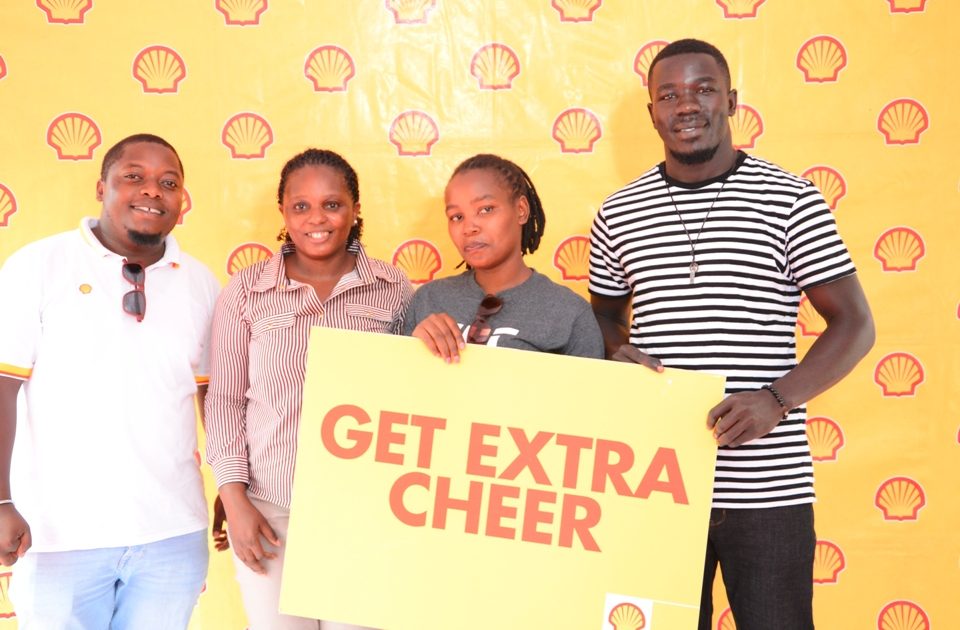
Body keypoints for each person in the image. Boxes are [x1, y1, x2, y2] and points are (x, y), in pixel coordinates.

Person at [588, 39, 875, 630]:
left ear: (732, 100)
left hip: (768, 489)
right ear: (652, 112)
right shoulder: (618, 212)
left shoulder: (790, 198)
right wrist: (615, 347)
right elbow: (604, 316)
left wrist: (776, 399)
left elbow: (855, 324)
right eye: (669, 94)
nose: (686, 105)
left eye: (703, 89)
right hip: (657, 483)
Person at [0, 134, 219, 628]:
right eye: (133, 177)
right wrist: (1, 500)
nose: (152, 191)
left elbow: (214, 401)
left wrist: (232, 486)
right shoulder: (38, 266)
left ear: (182, 200)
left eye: (169, 183)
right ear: (102, 186)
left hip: (172, 536)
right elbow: (2, 389)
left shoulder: (202, 283)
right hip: (59, 537)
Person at [204, 148, 413, 630]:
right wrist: (234, 500)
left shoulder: (393, 289)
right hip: (270, 508)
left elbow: (409, 399)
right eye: (301, 206)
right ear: (283, 211)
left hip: (364, 508)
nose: (316, 219)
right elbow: (226, 401)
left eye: (332, 204)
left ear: (355, 209)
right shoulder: (247, 290)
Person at [403, 153, 603, 361]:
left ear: (521, 210)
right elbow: (400, 376)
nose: (469, 228)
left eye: (486, 209)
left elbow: (588, 383)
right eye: (457, 217)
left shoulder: (570, 312)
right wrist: (412, 349)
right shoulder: (428, 299)